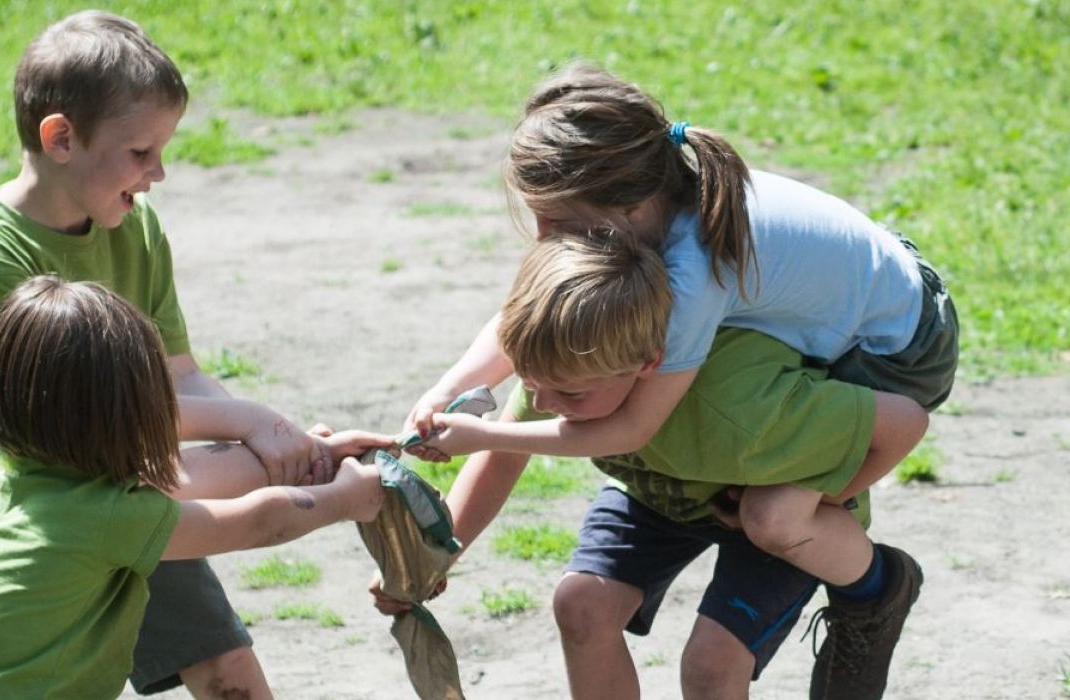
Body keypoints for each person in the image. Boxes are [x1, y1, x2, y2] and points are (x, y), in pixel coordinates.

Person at [405, 63, 959, 699]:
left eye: (559, 223)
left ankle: (869, 588)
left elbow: (633, 424)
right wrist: (449, 389)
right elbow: (524, 327)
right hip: (841, 307)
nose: (544, 241)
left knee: (772, 514)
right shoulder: (646, 233)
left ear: (632, 207)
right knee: (642, 521)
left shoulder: (692, 275)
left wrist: (484, 435)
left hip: (898, 344)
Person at [0, 11, 386, 698]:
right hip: (4, 506)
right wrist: (260, 437)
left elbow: (177, 382)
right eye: (139, 152)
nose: (159, 172)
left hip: (116, 476)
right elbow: (100, 426)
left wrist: (292, 445)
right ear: (61, 138)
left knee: (224, 667)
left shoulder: (133, 226)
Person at [0, 276, 385, 699]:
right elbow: (261, 521)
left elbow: (178, 476)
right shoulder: (103, 517)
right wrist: (345, 500)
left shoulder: (1, 468)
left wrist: (310, 458)